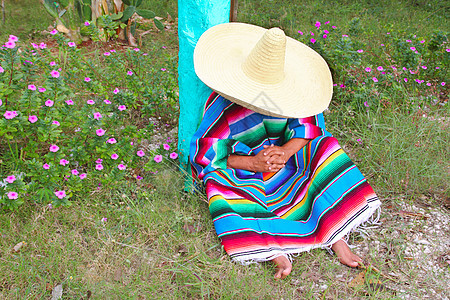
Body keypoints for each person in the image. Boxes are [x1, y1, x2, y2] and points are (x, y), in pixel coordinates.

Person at [189, 23, 381, 279]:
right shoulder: (223, 104)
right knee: (217, 181)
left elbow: (308, 128)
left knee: (324, 147)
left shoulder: (294, 97)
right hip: (243, 171)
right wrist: (254, 164)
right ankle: (271, 247)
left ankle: (334, 231)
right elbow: (206, 153)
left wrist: (287, 151)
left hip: (286, 164)